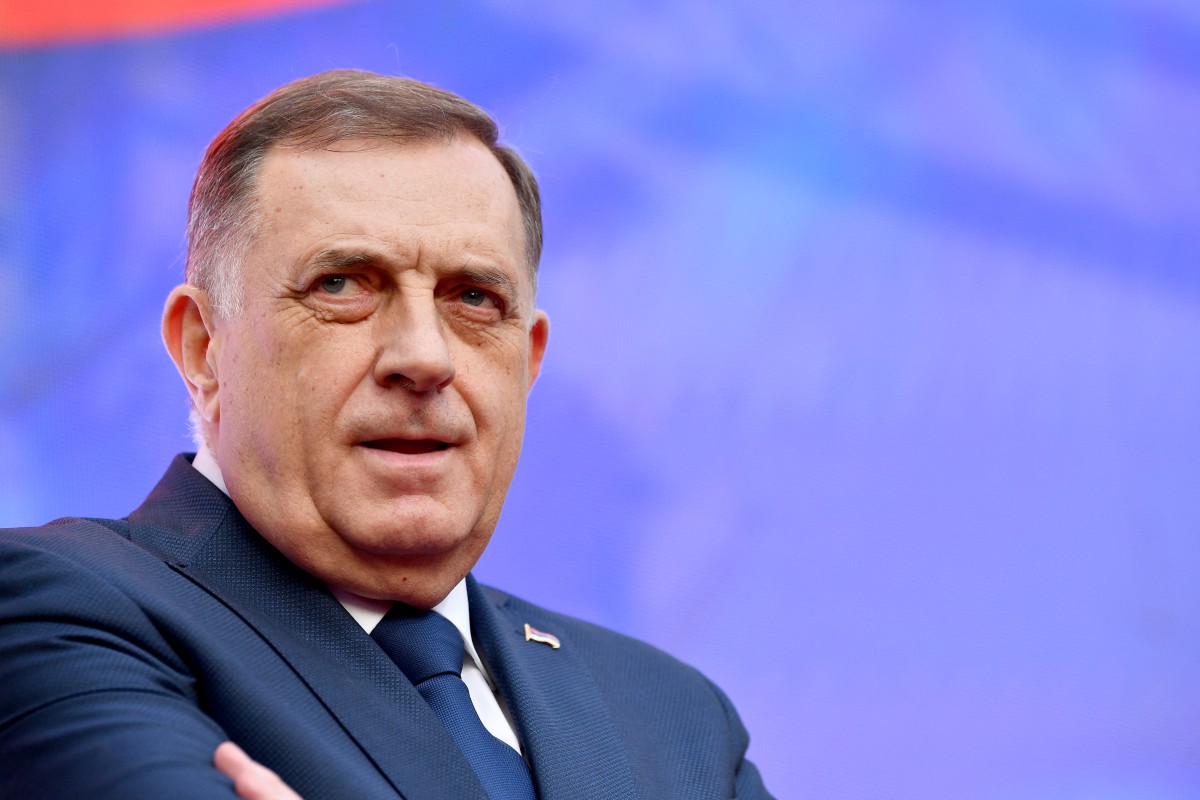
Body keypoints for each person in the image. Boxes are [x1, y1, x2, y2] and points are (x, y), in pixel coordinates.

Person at [0, 70, 772, 800]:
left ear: (527, 361)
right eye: (342, 285)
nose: (424, 358)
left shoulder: (676, 718)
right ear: (205, 348)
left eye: (473, 298)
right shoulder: (52, 612)